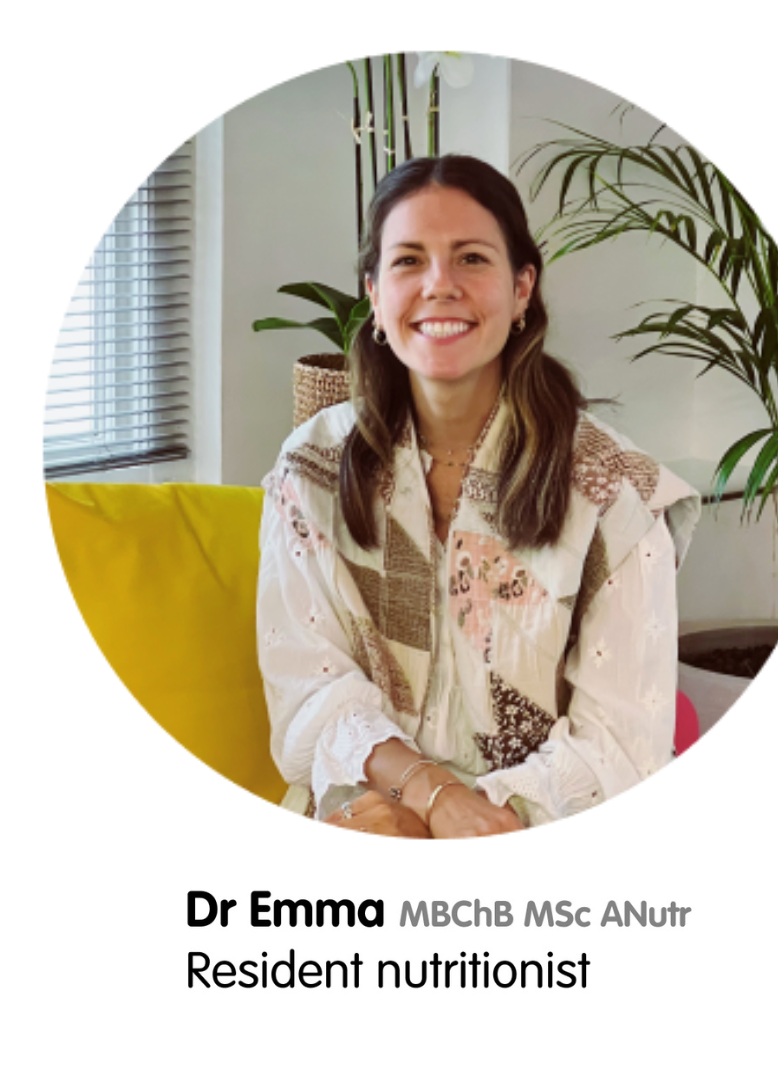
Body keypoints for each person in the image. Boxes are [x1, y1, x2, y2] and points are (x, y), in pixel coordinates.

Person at [257, 154, 700, 838]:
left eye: (471, 258)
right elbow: (307, 690)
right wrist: (425, 795)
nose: (440, 286)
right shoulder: (309, 469)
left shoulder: (616, 492)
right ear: (374, 294)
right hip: (363, 814)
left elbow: (620, 748)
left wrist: (466, 819)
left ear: (523, 288)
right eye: (409, 261)